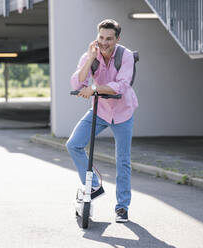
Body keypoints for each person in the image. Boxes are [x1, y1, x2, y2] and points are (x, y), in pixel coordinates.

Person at [66, 19, 138, 223]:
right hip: (101, 111)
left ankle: (122, 208)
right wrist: (89, 59)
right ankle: (94, 185)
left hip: (123, 112)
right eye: (101, 37)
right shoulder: (92, 54)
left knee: (122, 160)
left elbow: (122, 86)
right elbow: (77, 82)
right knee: (73, 145)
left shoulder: (125, 56)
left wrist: (95, 89)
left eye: (109, 38)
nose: (104, 42)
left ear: (117, 39)